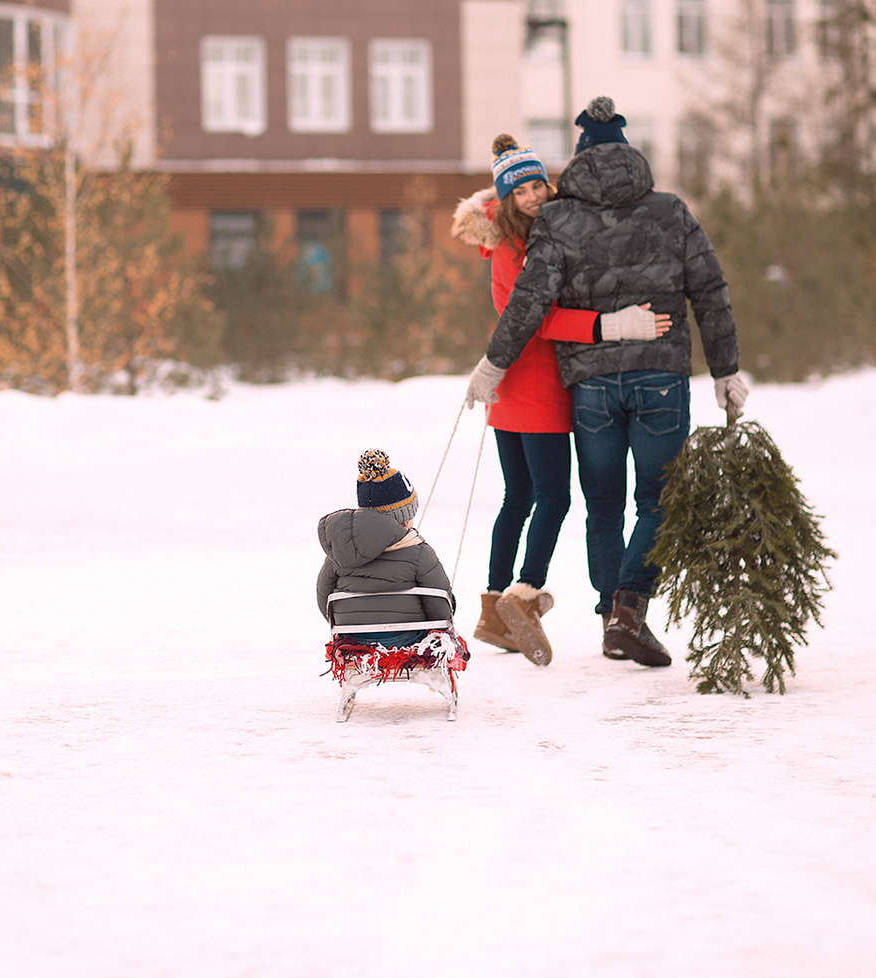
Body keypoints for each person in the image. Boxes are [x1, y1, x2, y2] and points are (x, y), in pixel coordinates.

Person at [466, 98, 749, 668]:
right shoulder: (671, 212)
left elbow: (529, 300)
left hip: (591, 386)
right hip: (661, 377)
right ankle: (627, 611)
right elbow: (710, 291)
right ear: (630, 154)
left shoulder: (558, 219)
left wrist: (493, 364)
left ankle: (609, 617)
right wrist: (726, 368)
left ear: (578, 160)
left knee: (603, 505)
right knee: (659, 499)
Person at [453, 134, 670, 667]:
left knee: (519, 495)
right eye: (522, 189)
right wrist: (607, 325)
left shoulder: (521, 238)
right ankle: (524, 595)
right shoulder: (515, 248)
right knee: (553, 496)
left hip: (510, 385)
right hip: (537, 385)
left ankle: (492, 606)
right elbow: (538, 320)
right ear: (505, 198)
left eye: (538, 185)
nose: (533, 195)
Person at [317, 448, 460, 648]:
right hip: (406, 638)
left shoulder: (338, 551)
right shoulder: (418, 551)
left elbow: (324, 597)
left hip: (353, 637)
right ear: (402, 517)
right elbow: (439, 603)